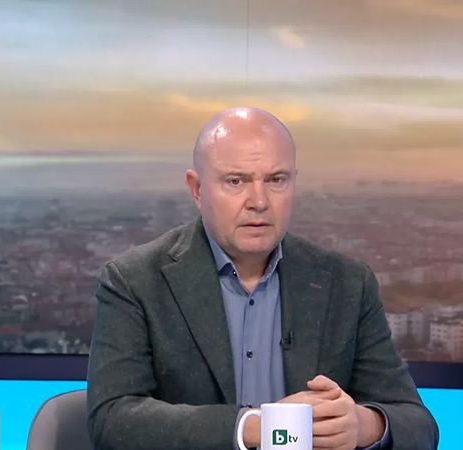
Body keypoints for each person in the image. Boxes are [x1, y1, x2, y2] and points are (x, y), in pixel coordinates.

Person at [86, 107, 438, 450]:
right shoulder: (134, 281)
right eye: (236, 181)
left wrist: (363, 425)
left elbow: (418, 424)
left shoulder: (347, 283)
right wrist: (257, 427)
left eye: (276, 180)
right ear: (197, 189)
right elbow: (113, 420)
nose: (259, 201)